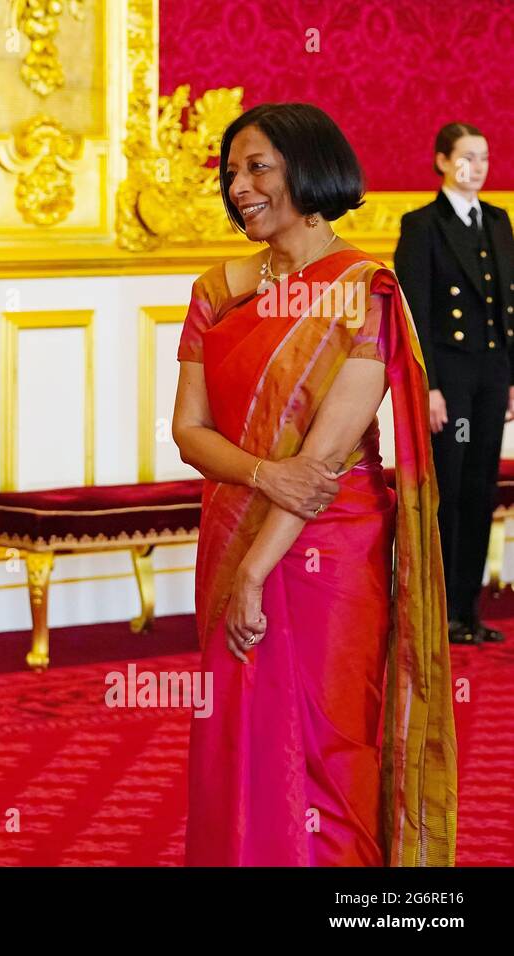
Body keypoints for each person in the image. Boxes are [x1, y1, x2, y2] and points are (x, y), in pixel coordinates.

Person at [172, 103, 457, 866]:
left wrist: (258, 572)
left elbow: (325, 465)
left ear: (309, 169)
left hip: (332, 548)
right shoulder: (217, 290)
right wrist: (263, 475)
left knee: (329, 739)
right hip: (232, 525)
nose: (239, 187)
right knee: (242, 734)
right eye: (232, 172)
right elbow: (188, 432)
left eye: (257, 167)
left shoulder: (364, 287)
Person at [395, 123, 514, 645]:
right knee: (449, 488)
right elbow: (415, 313)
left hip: (491, 375)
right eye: (468, 157)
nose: (479, 167)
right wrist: (431, 387)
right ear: (443, 161)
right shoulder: (423, 225)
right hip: (451, 379)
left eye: (485, 157)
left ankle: (467, 611)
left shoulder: (498, 220)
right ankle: (436, 612)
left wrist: (512, 379)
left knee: (480, 487)